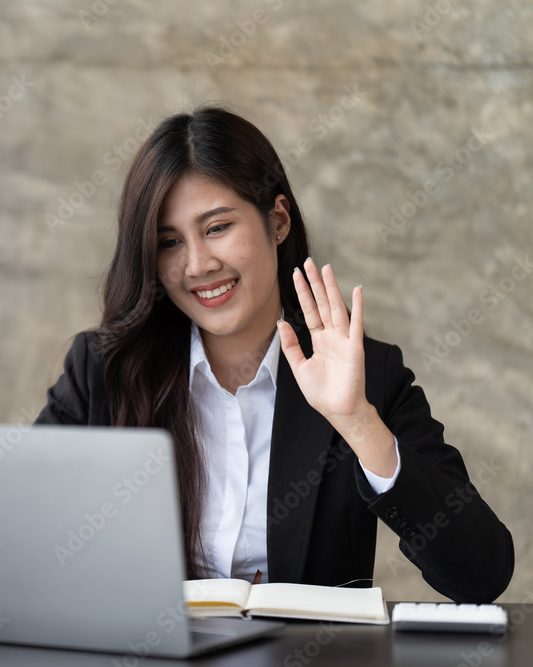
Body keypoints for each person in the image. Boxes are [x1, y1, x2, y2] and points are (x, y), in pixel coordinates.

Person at [35, 106, 513, 603]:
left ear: (278, 221)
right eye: (169, 242)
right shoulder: (104, 370)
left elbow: (481, 575)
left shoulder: (367, 377)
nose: (197, 265)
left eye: (217, 227)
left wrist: (358, 422)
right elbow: (23, 536)